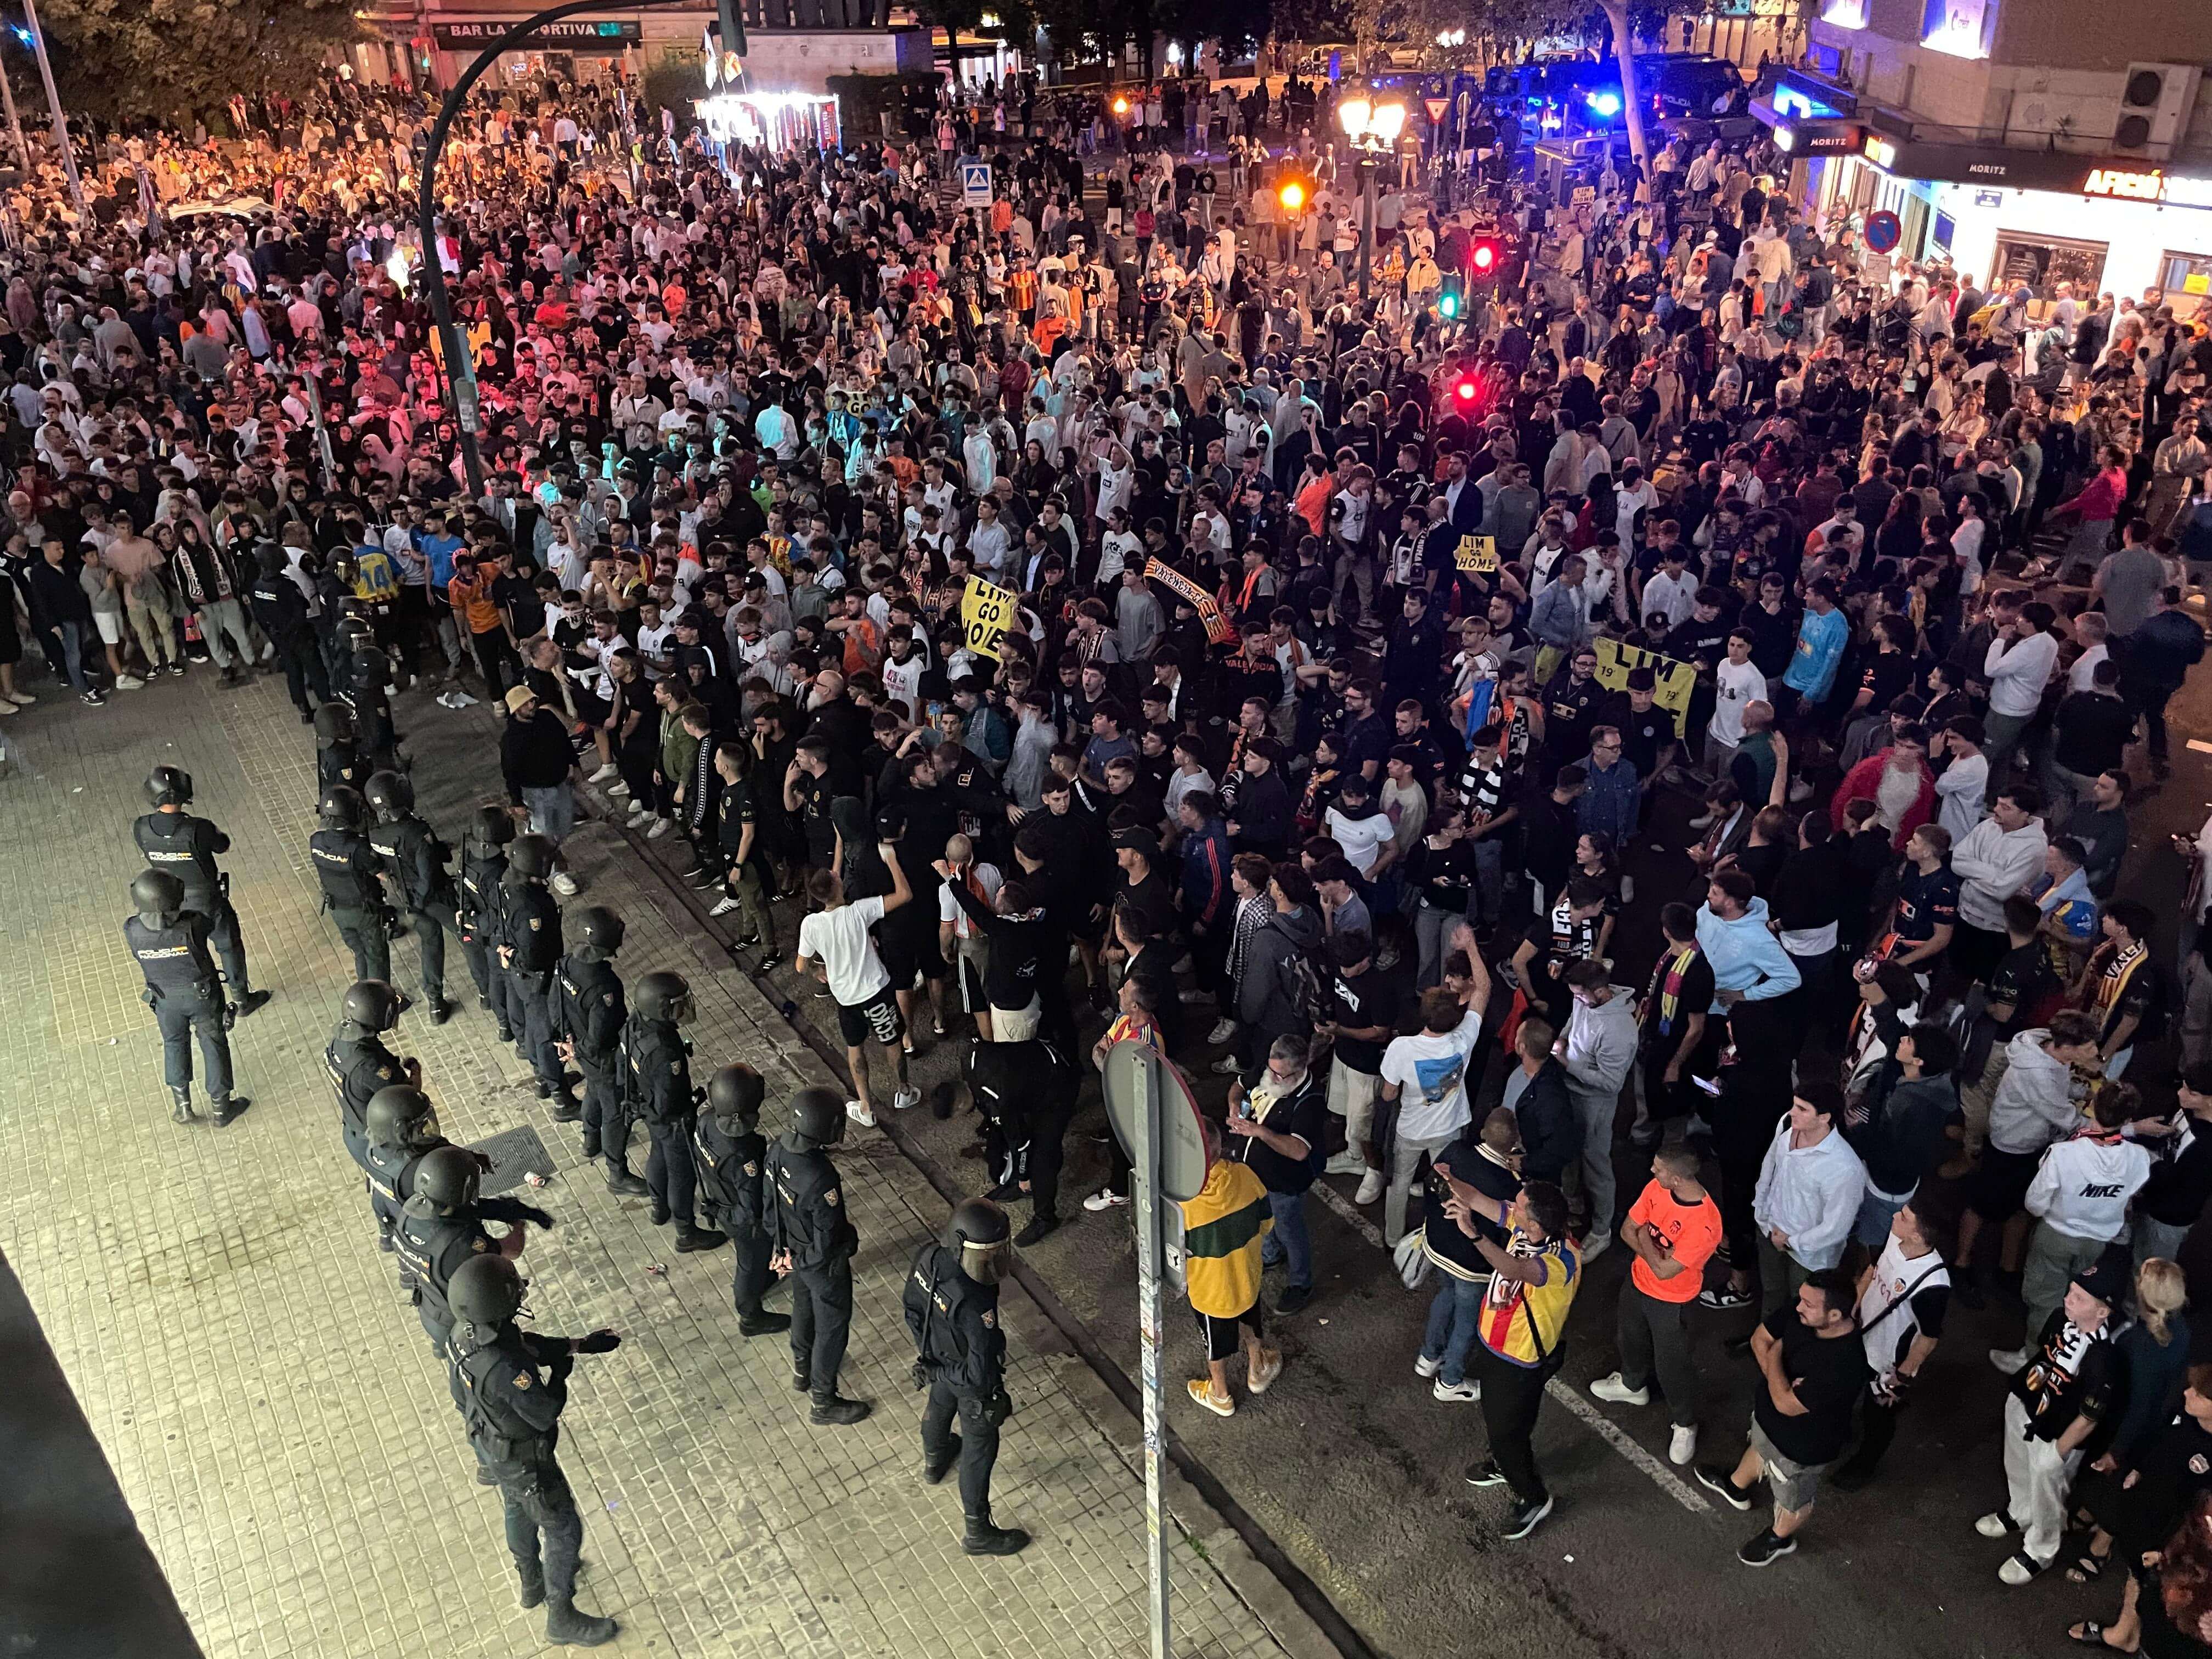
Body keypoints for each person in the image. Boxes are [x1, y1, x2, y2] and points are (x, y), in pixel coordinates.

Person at [441, 1254, 623, 1647]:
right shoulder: (505, 1368)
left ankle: (532, 1583)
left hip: (490, 1446)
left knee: (515, 1507)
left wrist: (577, 1346)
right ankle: (562, 1616)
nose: (520, 1289)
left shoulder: (462, 1333)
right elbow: (544, 1412)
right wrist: (560, 1375)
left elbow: (523, 1345)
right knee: (563, 1528)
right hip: (526, 1460)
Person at [1696, 1268, 1870, 1567]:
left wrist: (1777, 1356)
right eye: (1801, 1300)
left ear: (1835, 1316)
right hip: (1768, 1419)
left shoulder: (1844, 1364)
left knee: (1793, 1497)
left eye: (1808, 1305)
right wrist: (1782, 1384)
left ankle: (1780, 1537)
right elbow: (1759, 1340)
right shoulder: (1804, 1310)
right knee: (1761, 1447)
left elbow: (1787, 1403)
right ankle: (1736, 1486)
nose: (1798, 1306)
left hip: (1802, 1448)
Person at [1976, 1252, 2124, 1585]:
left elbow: (2090, 1416)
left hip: (2059, 1433)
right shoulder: (2060, 1317)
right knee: (2016, 1459)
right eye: (2071, 1291)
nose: (2068, 1299)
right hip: (2032, 1407)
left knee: (2048, 1487)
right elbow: (2044, 1354)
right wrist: (2020, 1399)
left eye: (2080, 1298)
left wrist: (2057, 1452)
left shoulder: (2103, 1359)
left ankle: (2040, 1550)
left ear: (2103, 1312)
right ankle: (2019, 1509)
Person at [1453, 1180, 1582, 1541]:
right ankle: (1504, 1464)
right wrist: (1449, 1178)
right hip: (1499, 1346)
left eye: (1520, 1206)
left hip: (1519, 1360)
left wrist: (1473, 1235)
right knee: (1512, 1422)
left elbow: (1516, 1271)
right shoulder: (1531, 1227)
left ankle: (1533, 1497)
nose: (1513, 1207)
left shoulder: (1560, 1261)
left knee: (1505, 1431)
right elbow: (1480, 1198)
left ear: (1536, 1226)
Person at [903, 1197, 1029, 1555]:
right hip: (962, 1375)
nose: (990, 1263)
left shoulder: (928, 1256)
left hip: (938, 1362)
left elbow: (910, 1307)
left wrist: (933, 1360)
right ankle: (979, 1532)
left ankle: (935, 1459)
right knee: (979, 1449)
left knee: (939, 1404)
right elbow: (976, 1376)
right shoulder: (977, 1302)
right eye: (983, 1254)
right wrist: (949, 1369)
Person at [1996, 1081, 2152, 1368]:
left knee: (2045, 1299)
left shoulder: (2065, 1154)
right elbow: (2131, 1194)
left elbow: (2035, 1203)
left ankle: (2033, 1358)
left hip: (2057, 1234)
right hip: (2098, 1241)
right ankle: (2069, 1358)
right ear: (2129, 1120)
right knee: (2081, 1301)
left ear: (2092, 1107)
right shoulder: (2139, 1158)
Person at [1589, 1143, 1722, 1466]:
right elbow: (1626, 1231)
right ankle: (1633, 1385)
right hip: (1636, 1284)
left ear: (1676, 1179)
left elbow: (1665, 1272)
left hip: (1673, 1302)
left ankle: (1685, 1423)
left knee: (1672, 1367)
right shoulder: (1656, 1188)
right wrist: (1651, 1251)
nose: (1652, 1171)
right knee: (1629, 1338)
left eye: (1658, 1169)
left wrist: (1646, 1240)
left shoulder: (1705, 1224)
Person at [795, 839, 922, 1125]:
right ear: (836, 888)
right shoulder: (859, 912)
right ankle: (903, 1090)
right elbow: (904, 895)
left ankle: (865, 1106)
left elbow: (801, 965)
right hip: (876, 991)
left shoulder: (811, 925)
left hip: (845, 998)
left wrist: (819, 972)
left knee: (855, 1048)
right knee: (892, 1041)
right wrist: (890, 858)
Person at [768, 1086, 872, 1425]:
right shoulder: (821, 1177)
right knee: (832, 1328)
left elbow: (769, 1208)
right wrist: (799, 1261)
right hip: (821, 1265)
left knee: (802, 1307)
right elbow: (829, 1238)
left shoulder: (776, 1152)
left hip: (794, 1252)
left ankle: (803, 1372)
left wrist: (783, 1253)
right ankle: (824, 1401)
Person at [132, 765, 269, 1022]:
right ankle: (242, 997)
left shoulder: (142, 828)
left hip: (167, 903)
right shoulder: (199, 828)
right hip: (207, 900)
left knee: (187, 951)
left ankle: (198, 999)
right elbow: (223, 845)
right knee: (228, 946)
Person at [1831, 1201, 1950, 1490]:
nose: (1896, 1215)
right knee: (1843, 1388)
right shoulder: (1895, 1238)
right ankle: (1840, 1432)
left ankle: (1865, 1464)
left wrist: (1903, 1376)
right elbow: (1874, 1269)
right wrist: (1857, 1302)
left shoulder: (1933, 1286)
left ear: (1918, 1237)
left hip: (1887, 1360)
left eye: (1905, 1216)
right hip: (1862, 1336)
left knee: (1879, 1416)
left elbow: (1929, 1337)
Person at [392, 1141, 555, 1351]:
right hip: (463, 1326)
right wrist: (519, 1225)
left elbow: (468, 1210)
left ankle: (441, 1349)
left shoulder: (410, 1214)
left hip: (430, 1309)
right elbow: (512, 1250)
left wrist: (507, 1209)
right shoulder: (464, 1243)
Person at [122, 870, 250, 1127]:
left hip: (165, 1000)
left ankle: (183, 1107)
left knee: (174, 1044)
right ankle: (222, 1107)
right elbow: (207, 922)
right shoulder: (193, 924)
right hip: (202, 997)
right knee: (213, 1044)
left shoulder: (132, 929)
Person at [1418, 1107, 1526, 1403]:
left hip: (1439, 1248)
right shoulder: (1510, 1186)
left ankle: (1429, 1356)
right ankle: (1450, 1381)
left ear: (1482, 1133)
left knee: (1445, 1295)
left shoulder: (1454, 1152)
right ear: (1515, 1141)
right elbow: (1508, 1236)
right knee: (1467, 1322)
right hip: (1472, 1265)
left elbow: (1431, 1190)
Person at [1180, 1112, 1282, 1417]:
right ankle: (1257, 1370)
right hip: (1248, 1278)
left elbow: (1174, 1255)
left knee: (1217, 1345)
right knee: (1252, 1323)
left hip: (1210, 1294)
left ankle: (1221, 1394)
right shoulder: (1245, 1176)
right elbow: (1266, 1223)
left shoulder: (1183, 1203)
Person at [1379, 980, 1491, 1245]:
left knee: (1400, 1183)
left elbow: (1389, 1094)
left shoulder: (1402, 1048)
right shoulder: (1463, 1040)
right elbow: (1483, 992)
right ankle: (1443, 1237)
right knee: (1447, 1185)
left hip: (1411, 1130)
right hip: (1449, 1129)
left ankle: (1393, 1237)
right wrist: (1471, 947)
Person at [623, 969, 726, 1255]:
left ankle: (659, 1208)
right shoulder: (667, 1051)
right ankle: (686, 1232)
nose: (683, 1009)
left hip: (650, 1111)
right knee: (683, 1174)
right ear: (661, 1008)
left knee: (658, 1154)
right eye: (677, 1004)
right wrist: (688, 1111)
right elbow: (670, 1097)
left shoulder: (633, 1025)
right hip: (672, 1121)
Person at [1228, 1034, 1329, 1314]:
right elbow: (1237, 1087)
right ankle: (1270, 1255)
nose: (1273, 1077)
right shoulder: (1269, 1067)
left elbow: (1299, 1151)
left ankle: (1301, 1283)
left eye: (1280, 1075)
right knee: (1261, 1215)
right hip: (1253, 1171)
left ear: (1300, 1070)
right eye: (1271, 1071)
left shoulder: (1310, 1100)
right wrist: (1235, 1107)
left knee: (1290, 1230)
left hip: (1285, 1182)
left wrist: (1258, 1131)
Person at [553, 906, 648, 1195]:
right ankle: (617, 1173)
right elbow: (598, 1037)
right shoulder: (605, 986)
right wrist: (578, 1049)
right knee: (616, 1113)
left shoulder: (565, 964)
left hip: (585, 1056)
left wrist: (567, 1042)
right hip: (605, 1059)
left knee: (593, 1091)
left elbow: (554, 1006)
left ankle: (590, 1141)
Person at [1751, 1082, 1867, 1317]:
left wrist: (1792, 1241)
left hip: (1809, 1256)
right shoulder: (1787, 1126)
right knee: (1772, 1291)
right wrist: (1761, 1214)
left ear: (1824, 1118)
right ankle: (1766, 1342)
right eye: (1795, 1105)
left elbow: (1836, 1228)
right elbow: (1769, 1168)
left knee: (1802, 1307)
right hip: (1770, 1230)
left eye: (1803, 1109)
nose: (1792, 1112)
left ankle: (1790, 1351)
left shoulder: (1844, 1168)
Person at [693, 1063, 792, 1338]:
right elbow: (750, 1209)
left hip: (720, 1198)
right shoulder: (743, 1153)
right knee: (749, 1264)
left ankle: (764, 1279)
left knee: (755, 1263)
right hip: (743, 1220)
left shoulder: (707, 1120)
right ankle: (750, 1315)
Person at [364, 770, 459, 1024]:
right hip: (436, 898)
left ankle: (436, 1003)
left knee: (431, 944)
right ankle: (488, 995)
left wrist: (412, 904)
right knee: (470, 937)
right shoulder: (417, 830)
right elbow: (429, 871)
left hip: (408, 900)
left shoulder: (375, 834)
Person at [1558, 960, 1638, 1261]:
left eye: (1580, 996)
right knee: (1569, 1152)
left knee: (1596, 1166)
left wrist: (1569, 1064)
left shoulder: (1619, 1030)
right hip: (1572, 1090)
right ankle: (1574, 1203)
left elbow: (1611, 1083)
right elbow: (1574, 1018)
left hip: (1595, 1104)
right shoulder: (1585, 1000)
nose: (1577, 1000)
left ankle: (1602, 1230)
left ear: (1602, 991)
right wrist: (1563, 1037)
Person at [498, 834, 569, 1106]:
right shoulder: (532, 906)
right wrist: (516, 959)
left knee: (532, 1024)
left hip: (524, 978)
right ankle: (559, 1094)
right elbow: (532, 955)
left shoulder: (512, 885)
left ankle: (542, 1077)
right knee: (546, 1032)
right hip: (539, 977)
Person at [309, 785, 393, 984]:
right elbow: (384, 875)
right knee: (376, 957)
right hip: (364, 913)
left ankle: (364, 989)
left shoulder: (316, 841)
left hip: (337, 911)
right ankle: (380, 1000)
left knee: (360, 953)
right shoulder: (359, 848)